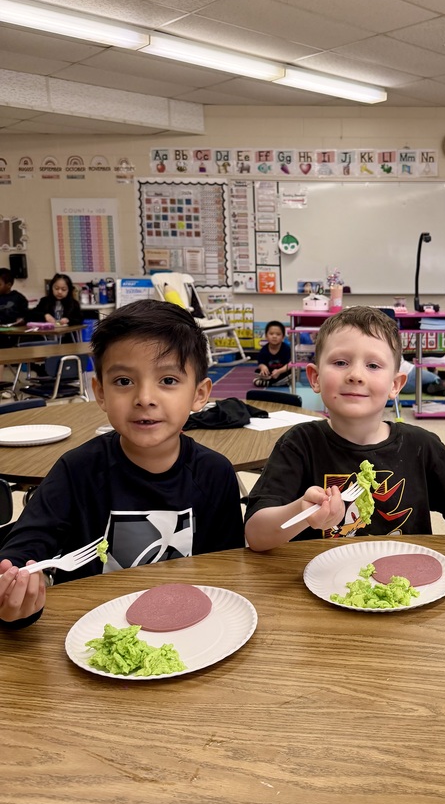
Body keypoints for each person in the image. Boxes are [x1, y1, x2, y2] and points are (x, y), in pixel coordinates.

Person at [0, 299, 244, 630]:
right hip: (92, 634)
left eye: (168, 380)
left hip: (190, 632)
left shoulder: (214, 474)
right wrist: (15, 601)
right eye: (124, 382)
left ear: (199, 394)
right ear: (99, 392)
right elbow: (21, 556)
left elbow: (226, 571)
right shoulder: (77, 471)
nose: (145, 397)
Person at [244, 305, 445, 549]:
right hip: (320, 583)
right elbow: (256, 535)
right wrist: (302, 511)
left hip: (406, 583)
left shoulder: (421, 446)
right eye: (340, 362)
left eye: (373, 366)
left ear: (395, 384)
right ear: (315, 378)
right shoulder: (299, 444)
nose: (355, 375)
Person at [253, 319, 292, 387]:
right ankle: (275, 382)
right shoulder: (264, 350)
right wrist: (263, 367)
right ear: (266, 336)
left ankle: (270, 383)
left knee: (294, 372)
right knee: (257, 371)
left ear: (283, 337)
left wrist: (279, 371)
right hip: (269, 374)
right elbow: (260, 363)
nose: (274, 336)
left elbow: (290, 364)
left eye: (278, 334)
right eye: (271, 334)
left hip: (282, 373)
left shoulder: (286, 349)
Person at [0, 268, 28, 347]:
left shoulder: (19, 298)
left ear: (8, 285)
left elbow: (25, 315)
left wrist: (22, 319)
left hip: (14, 332)